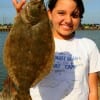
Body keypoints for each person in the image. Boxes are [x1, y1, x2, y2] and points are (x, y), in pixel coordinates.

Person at [12, 0, 100, 100]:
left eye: (74, 15)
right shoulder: (36, 42)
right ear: (49, 14)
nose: (68, 20)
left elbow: (93, 91)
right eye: (61, 13)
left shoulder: (89, 46)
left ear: (80, 18)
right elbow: (19, 50)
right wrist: (21, 20)